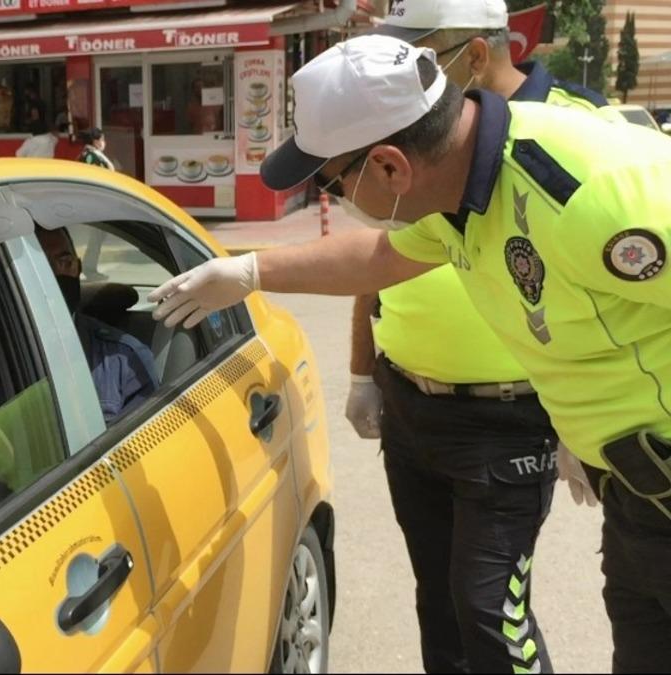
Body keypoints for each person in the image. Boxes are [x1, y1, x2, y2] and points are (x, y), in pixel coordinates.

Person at [149, 34, 671, 673]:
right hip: (637, 497)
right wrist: (249, 271)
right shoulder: (462, 186)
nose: (333, 200)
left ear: (392, 166)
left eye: (333, 183)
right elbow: (383, 257)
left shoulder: (588, 192)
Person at [337, 2, 623, 672]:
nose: (402, 69)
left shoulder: (577, 126)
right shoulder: (417, 131)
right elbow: (378, 258)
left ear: (473, 55)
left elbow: (621, 289)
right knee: (438, 602)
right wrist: (361, 371)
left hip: (510, 419)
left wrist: (584, 422)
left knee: (492, 608)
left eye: (417, 52)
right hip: (411, 401)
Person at [37, 227, 158, 422]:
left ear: (78, 269)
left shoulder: (124, 361)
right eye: (40, 266)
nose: (55, 274)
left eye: (65, 263)